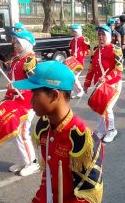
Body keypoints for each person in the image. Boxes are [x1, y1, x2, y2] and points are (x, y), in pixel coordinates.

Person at [13, 61, 104, 203]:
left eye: (35, 94)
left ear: (54, 95)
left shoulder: (82, 139)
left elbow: (88, 196)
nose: (30, 102)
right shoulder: (44, 126)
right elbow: (47, 177)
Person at [3, 30, 40, 176]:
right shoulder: (17, 59)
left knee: (23, 132)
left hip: (27, 103)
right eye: (15, 42)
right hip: (16, 100)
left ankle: (33, 163)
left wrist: (17, 86)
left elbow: (33, 84)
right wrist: (8, 94)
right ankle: (23, 160)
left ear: (25, 44)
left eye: (18, 42)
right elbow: (13, 79)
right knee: (15, 133)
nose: (15, 45)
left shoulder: (30, 61)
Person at [84, 25, 123, 143]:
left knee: (107, 108)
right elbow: (91, 68)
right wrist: (86, 83)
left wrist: (106, 78)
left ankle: (111, 130)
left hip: (112, 83)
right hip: (99, 83)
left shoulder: (115, 49)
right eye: (99, 34)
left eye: (103, 35)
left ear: (108, 36)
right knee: (98, 108)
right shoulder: (95, 50)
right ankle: (101, 130)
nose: (100, 37)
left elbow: (119, 68)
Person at [68, 24, 90, 99]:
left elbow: (88, 51)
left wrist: (81, 54)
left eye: (74, 31)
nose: (73, 32)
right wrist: (72, 53)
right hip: (73, 62)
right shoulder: (73, 40)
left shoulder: (84, 39)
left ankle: (80, 90)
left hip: (79, 62)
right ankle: (75, 90)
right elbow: (71, 50)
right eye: (73, 31)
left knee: (74, 77)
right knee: (70, 77)